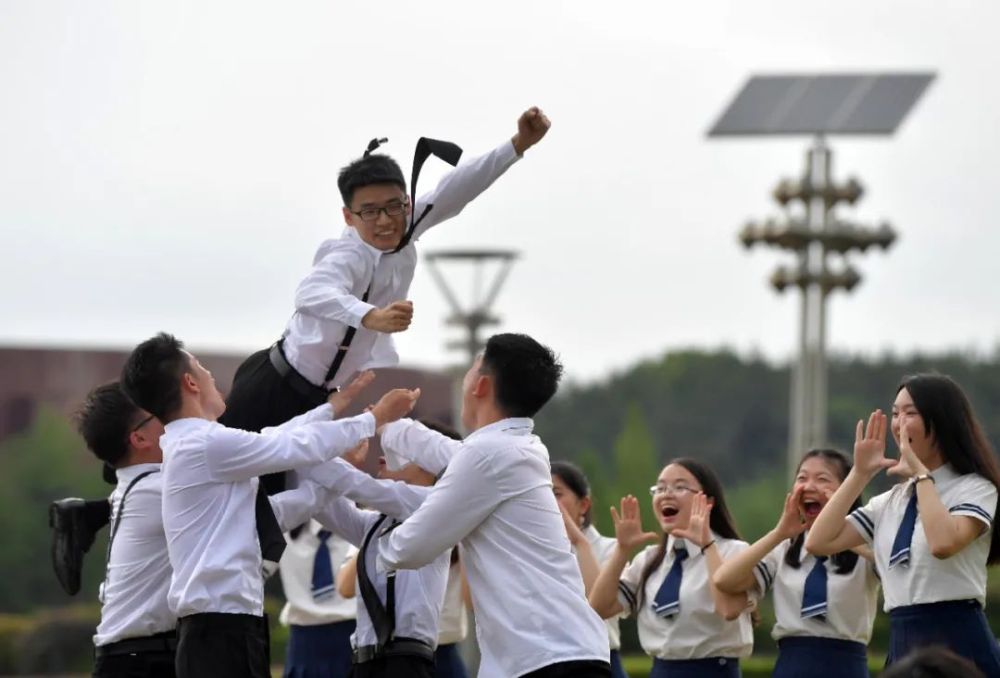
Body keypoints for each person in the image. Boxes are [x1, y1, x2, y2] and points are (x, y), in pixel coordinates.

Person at [218, 108, 552, 456]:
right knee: (231, 479)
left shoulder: (408, 223)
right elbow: (310, 292)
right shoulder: (347, 255)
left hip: (319, 400)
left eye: (394, 207)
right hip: (275, 386)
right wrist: (370, 316)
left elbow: (458, 188)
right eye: (370, 211)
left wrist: (518, 144)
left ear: (407, 203)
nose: (384, 221)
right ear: (349, 217)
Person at [119, 332, 419, 678]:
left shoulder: (198, 444)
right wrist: (372, 419)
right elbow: (287, 447)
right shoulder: (204, 444)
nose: (210, 375)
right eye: (201, 367)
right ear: (190, 382)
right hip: (219, 632)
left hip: (224, 628)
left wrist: (334, 407)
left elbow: (275, 443)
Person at [372, 333, 611, 678]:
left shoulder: (489, 454)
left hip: (548, 661)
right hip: (557, 655)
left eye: (472, 367)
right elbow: (449, 454)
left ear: (481, 385)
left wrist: (367, 535)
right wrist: (385, 425)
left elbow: (409, 548)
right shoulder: (515, 447)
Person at [806, 374, 1000, 676]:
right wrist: (859, 473)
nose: (899, 424)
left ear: (941, 421)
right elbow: (818, 542)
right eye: (895, 414)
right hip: (903, 637)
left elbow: (942, 544)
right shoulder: (890, 501)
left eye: (910, 413)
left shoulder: (974, 488)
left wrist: (921, 476)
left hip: (958, 636)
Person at [714, 449, 880, 678]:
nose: (809, 486)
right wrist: (779, 533)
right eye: (802, 478)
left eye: (822, 479)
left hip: (846, 665)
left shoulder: (865, 551)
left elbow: (892, 567)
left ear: (847, 489)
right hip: (792, 664)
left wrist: (842, 534)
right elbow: (724, 580)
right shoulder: (784, 551)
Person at [589, 459, 756, 678]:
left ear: (708, 502)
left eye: (679, 487)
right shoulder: (648, 560)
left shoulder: (733, 552)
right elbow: (599, 608)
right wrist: (622, 550)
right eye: (660, 488)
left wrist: (707, 546)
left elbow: (728, 610)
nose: (666, 495)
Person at [306, 447, 451, 678]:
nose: (382, 457)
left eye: (398, 451)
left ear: (428, 464)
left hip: (406, 665)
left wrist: (313, 451)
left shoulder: (434, 505)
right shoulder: (375, 523)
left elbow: (359, 485)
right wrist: (300, 452)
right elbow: (319, 504)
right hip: (364, 662)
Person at [75, 382, 175, 677]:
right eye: (160, 413)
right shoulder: (156, 489)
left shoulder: (140, 485)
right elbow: (260, 511)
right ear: (140, 438)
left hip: (134, 657)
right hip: (139, 660)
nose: (173, 417)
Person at [551, 460, 627, 678]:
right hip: (550, 662)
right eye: (542, 494)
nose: (548, 501)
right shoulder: (535, 552)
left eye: (556, 493)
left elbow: (598, 606)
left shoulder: (612, 549)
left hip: (600, 662)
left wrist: (579, 542)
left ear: (583, 505)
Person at [278, 520, 359, 678]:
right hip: (303, 645)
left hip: (353, 638)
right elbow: (256, 571)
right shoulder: (284, 527)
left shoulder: (363, 526)